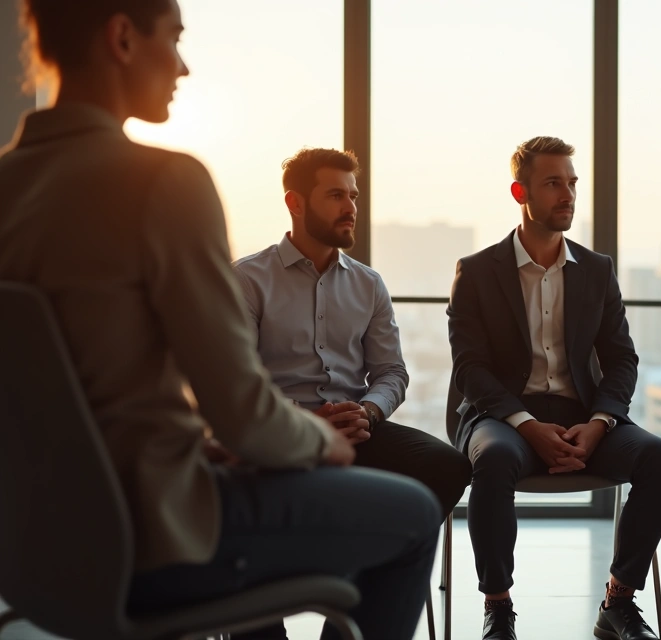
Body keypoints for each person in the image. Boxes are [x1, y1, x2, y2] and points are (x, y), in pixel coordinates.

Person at [0, 2, 441, 638]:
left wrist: (200, 443)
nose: (182, 66)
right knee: (415, 516)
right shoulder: (162, 182)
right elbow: (242, 410)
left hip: (36, 550)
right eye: (174, 40)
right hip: (153, 539)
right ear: (122, 37)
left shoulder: (9, 183)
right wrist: (326, 442)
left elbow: (78, 397)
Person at [227, 147, 472, 639]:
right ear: (296, 203)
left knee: (449, 464)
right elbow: (239, 381)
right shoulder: (247, 279)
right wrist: (305, 422)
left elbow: (392, 372)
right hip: (277, 435)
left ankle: (362, 595)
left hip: (356, 428)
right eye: (336, 195)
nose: (350, 207)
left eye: (354, 195)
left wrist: (368, 411)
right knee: (239, 492)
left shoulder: (368, 284)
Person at [447, 136, 661, 640]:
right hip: (503, 417)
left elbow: (621, 359)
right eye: (554, 183)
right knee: (492, 459)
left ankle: (618, 602)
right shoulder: (477, 272)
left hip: (583, 416)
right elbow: (470, 369)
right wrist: (527, 427)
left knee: (659, 456)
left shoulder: (596, 271)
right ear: (520, 192)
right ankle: (498, 606)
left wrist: (599, 425)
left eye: (572, 183)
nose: (568, 194)